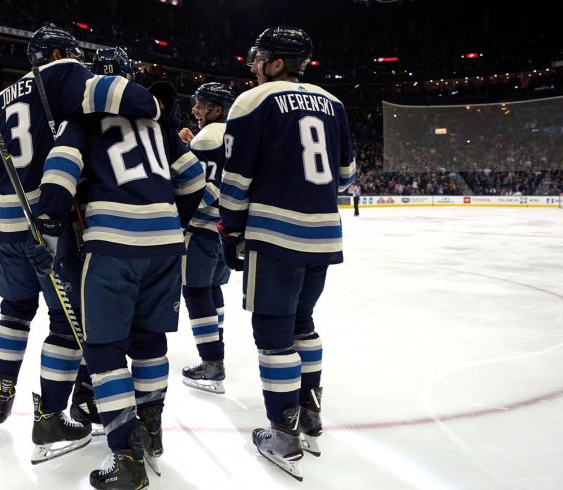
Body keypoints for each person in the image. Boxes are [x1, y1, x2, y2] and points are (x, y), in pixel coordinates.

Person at [0, 26, 161, 463]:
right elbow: (123, 102)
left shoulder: (3, 95)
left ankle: (3, 384)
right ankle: (50, 415)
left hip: (2, 221)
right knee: (66, 324)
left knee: (14, 312)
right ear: (59, 53)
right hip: (48, 222)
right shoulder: (68, 74)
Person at [36, 66, 205, 489]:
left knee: (104, 349)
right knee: (150, 340)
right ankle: (151, 429)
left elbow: (57, 180)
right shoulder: (156, 123)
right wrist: (169, 220)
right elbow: (194, 177)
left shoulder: (81, 120)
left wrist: (49, 222)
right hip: (166, 246)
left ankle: (125, 453)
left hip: (112, 244)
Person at [219, 26, 356, 481]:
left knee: (273, 333)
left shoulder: (252, 102)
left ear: (278, 64)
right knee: (303, 324)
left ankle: (284, 433)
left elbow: (235, 183)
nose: (254, 65)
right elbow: (346, 176)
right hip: (323, 236)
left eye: (260, 59)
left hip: (276, 235)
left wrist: (230, 232)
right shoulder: (332, 103)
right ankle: (310, 413)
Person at [177, 82, 236, 394]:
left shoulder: (208, 136)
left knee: (196, 292)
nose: (195, 111)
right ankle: (217, 350)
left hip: (200, 230)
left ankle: (212, 363)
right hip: (223, 231)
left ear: (218, 109)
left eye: (202, 105)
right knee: (211, 290)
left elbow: (202, 187)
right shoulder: (232, 134)